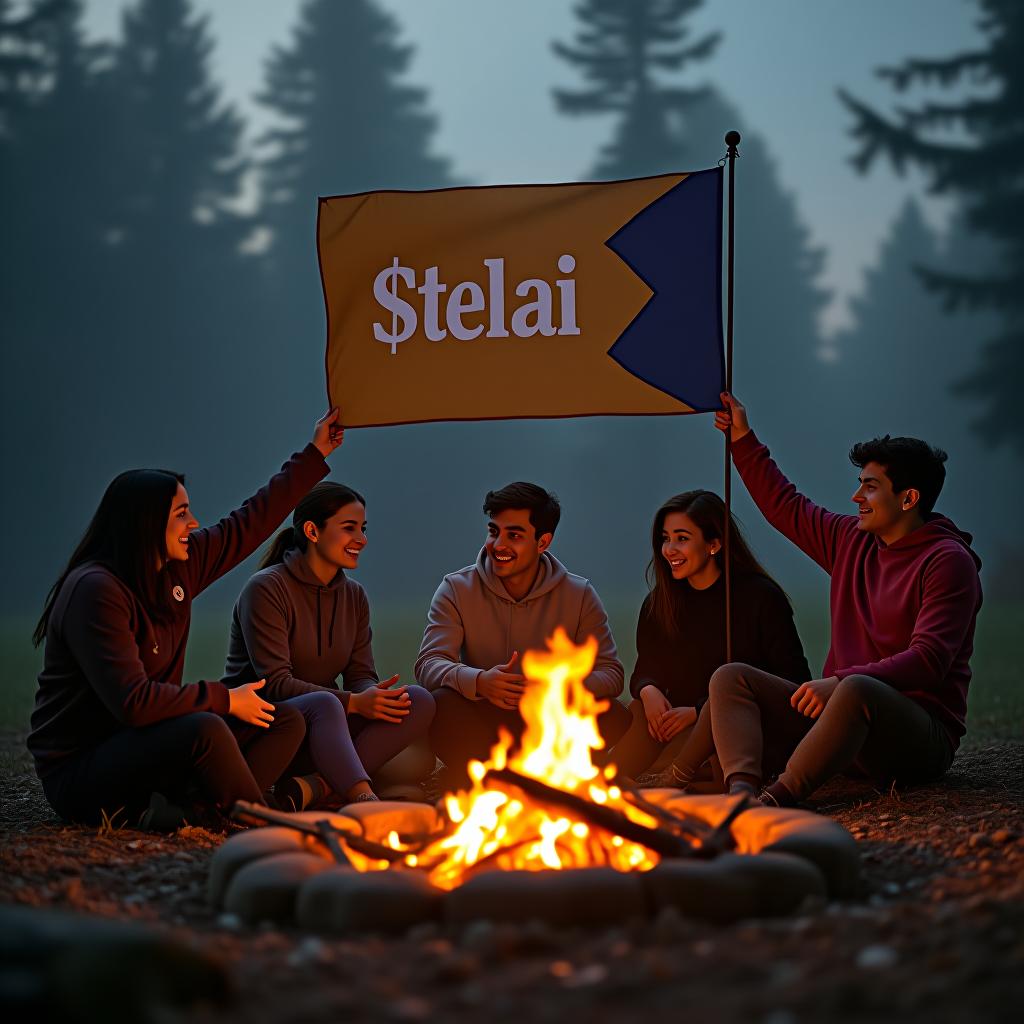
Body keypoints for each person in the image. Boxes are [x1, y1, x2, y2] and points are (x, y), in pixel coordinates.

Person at [28, 410, 344, 829]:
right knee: (206, 728)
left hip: (148, 747)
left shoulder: (178, 567)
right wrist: (225, 698)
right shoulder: (96, 591)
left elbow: (249, 523)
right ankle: (264, 826)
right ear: (144, 524)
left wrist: (315, 452)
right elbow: (134, 703)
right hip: (84, 771)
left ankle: (199, 812)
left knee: (283, 718)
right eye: (180, 514)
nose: (192, 523)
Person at [710, 392, 983, 806]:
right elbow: (785, 506)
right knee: (730, 678)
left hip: (917, 737)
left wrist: (838, 683)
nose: (856, 498)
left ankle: (778, 801)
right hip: (841, 722)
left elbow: (929, 660)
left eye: (870, 488)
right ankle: (742, 794)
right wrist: (743, 438)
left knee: (857, 686)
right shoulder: (850, 541)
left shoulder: (947, 562)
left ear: (908, 499)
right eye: (859, 485)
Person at [223, 482, 435, 809]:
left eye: (362, 529)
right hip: (274, 726)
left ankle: (318, 787)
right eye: (348, 528)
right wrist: (354, 703)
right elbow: (276, 685)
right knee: (326, 704)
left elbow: (360, 674)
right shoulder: (266, 589)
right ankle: (364, 799)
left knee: (418, 699)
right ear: (312, 531)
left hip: (328, 728)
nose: (361, 539)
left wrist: (375, 697)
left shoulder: (354, 596)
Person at [416, 481, 629, 789]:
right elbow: (429, 662)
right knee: (440, 705)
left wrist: (554, 687)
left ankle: (513, 778)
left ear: (543, 542)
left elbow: (611, 673)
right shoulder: (456, 588)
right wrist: (479, 681)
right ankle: (512, 778)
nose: (498, 544)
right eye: (494, 531)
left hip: (550, 719)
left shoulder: (579, 593)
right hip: (484, 715)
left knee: (614, 715)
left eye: (513, 535)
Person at [603, 490, 810, 786]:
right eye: (665, 538)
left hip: (749, 726)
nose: (669, 549)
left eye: (682, 538)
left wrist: (699, 711)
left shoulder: (760, 598)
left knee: (722, 695)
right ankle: (605, 780)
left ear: (714, 544)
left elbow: (792, 679)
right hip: (680, 727)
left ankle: (675, 779)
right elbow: (647, 666)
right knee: (639, 709)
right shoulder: (660, 603)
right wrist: (648, 689)